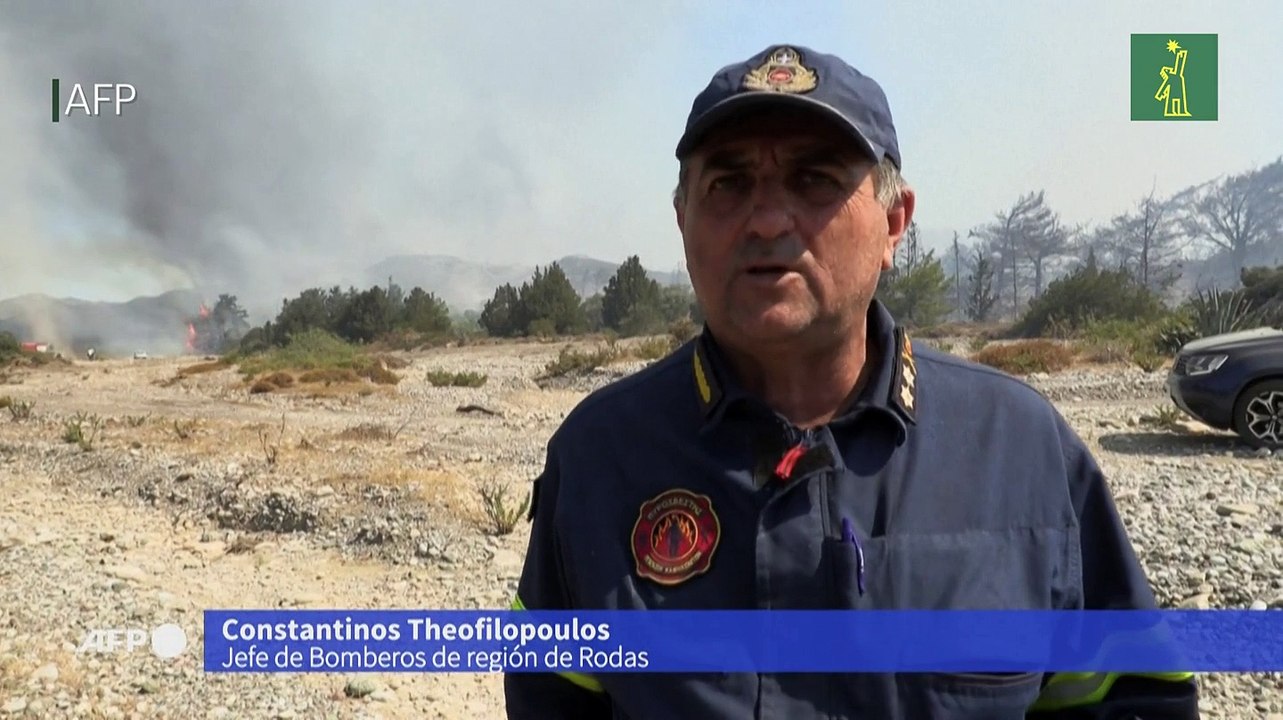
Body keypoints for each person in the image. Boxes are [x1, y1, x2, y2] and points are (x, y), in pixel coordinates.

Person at [504, 43, 1200, 719]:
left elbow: (1127, 695)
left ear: (894, 223)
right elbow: (549, 696)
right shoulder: (600, 454)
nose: (768, 219)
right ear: (683, 219)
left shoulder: (1017, 448)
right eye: (727, 184)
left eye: (815, 181)